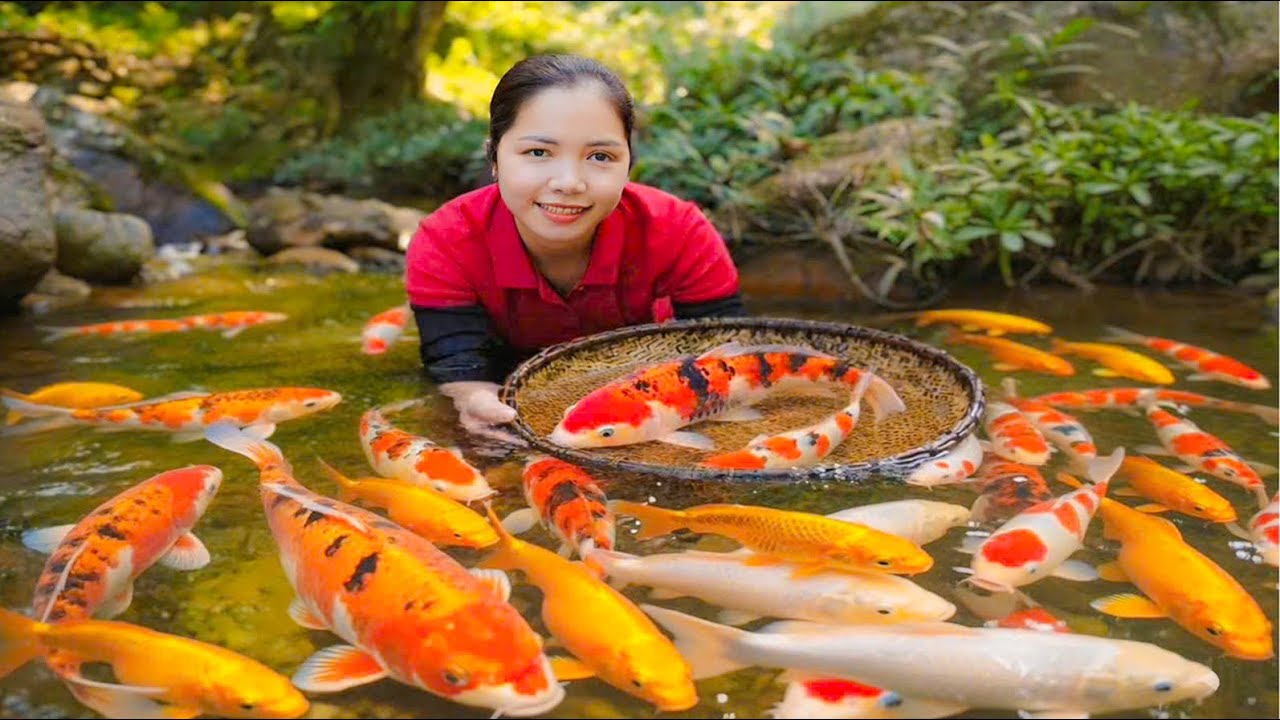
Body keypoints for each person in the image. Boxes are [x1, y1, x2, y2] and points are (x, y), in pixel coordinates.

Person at [405, 54, 747, 443]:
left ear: (629, 164)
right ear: (495, 157)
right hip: (505, 375)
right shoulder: (444, 242)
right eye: (538, 153)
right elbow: (458, 364)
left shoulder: (679, 230)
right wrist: (473, 398)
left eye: (600, 157)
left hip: (650, 386)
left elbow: (726, 350)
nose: (569, 182)